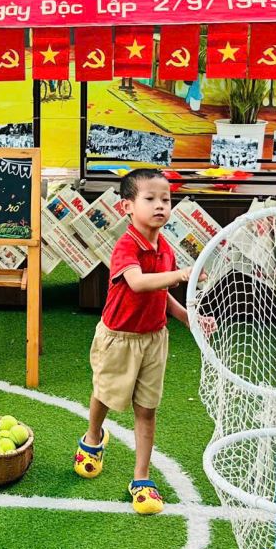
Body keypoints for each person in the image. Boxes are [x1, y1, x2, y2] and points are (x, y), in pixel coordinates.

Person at [74, 170, 210, 515]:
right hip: (119, 338)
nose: (160, 205)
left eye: (166, 199)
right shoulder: (126, 246)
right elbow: (137, 282)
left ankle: (141, 478)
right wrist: (181, 274)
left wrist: (186, 317)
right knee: (105, 393)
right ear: (127, 207)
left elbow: (160, 292)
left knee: (147, 409)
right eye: (150, 199)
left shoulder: (165, 248)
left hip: (154, 339)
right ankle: (93, 437)